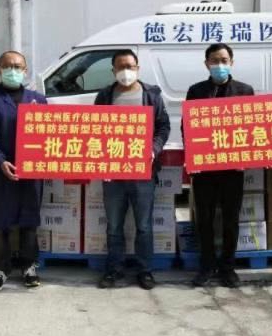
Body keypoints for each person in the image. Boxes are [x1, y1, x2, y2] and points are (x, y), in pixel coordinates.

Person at [94, 49, 171, 290]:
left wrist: (153, 149)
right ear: (113, 70)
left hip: (143, 173)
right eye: (120, 66)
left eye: (130, 66)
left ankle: (145, 271)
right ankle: (113, 270)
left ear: (138, 68)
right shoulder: (105, 96)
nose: (126, 71)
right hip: (113, 173)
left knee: (144, 226)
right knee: (114, 226)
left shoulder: (151, 95)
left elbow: (163, 126)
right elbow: (93, 128)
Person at [0, 51, 47, 292]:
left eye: (17, 66)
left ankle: (29, 266)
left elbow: (49, 135)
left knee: (29, 221)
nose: (12, 70)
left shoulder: (38, 100)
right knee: (0, 222)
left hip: (31, 170)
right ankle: (0, 269)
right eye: (7, 66)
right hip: (0, 170)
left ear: (25, 71)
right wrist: (0, 160)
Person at [185, 43, 255, 288]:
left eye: (224, 60)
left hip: (233, 169)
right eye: (214, 61)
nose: (219, 65)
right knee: (204, 219)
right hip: (204, 169)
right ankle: (206, 266)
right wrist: (192, 156)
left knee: (230, 219)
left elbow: (251, 127)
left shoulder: (244, 91)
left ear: (232, 62)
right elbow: (187, 126)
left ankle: (228, 267)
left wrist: (245, 157)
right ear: (206, 64)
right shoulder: (196, 91)